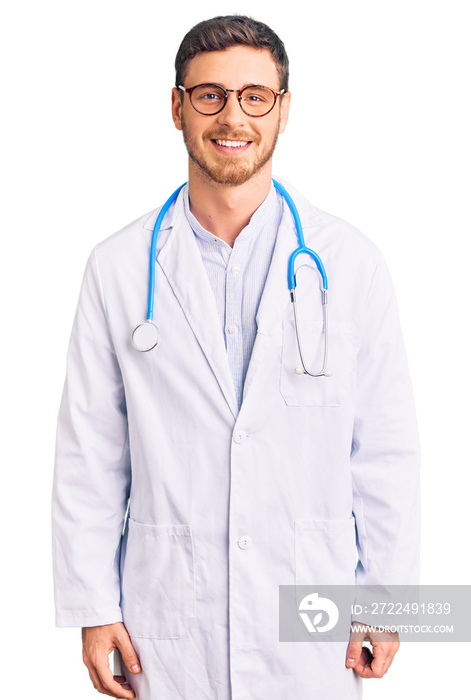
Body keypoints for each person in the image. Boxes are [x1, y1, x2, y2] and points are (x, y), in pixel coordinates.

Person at [51, 14, 420, 700]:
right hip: (167, 618)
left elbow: (385, 450)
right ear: (176, 106)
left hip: (309, 617)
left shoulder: (351, 263)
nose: (233, 117)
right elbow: (91, 452)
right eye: (210, 95)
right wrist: (93, 610)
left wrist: (389, 603)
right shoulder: (119, 267)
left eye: (255, 96)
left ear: (283, 110)